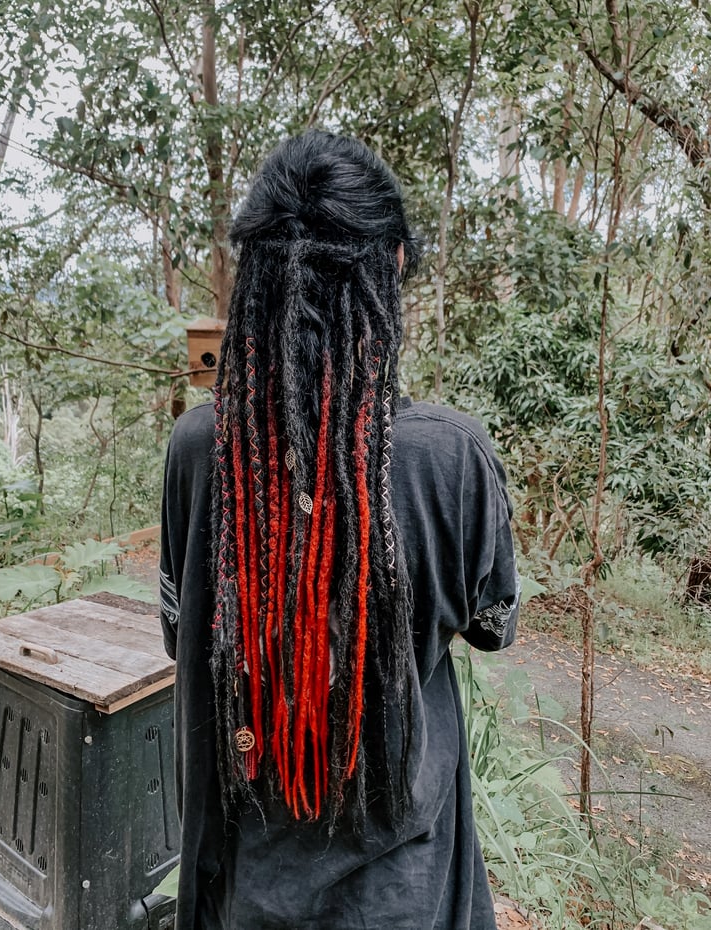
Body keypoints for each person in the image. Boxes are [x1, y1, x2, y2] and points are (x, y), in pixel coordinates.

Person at [159, 130, 520, 930]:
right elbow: (494, 625)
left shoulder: (198, 447)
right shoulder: (449, 458)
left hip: (245, 890)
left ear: (253, 279)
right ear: (390, 270)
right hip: (408, 895)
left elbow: (180, 630)